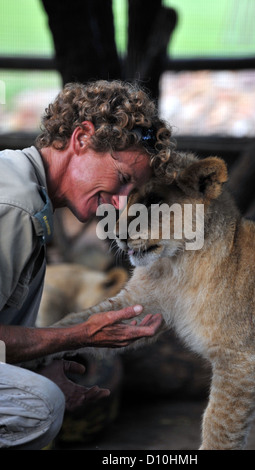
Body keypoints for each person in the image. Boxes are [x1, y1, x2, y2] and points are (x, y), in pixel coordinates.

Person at [0, 80, 174, 449]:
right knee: (38, 406)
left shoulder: (23, 186)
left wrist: (41, 367)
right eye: (123, 179)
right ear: (81, 139)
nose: (122, 204)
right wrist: (81, 335)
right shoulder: (16, 207)